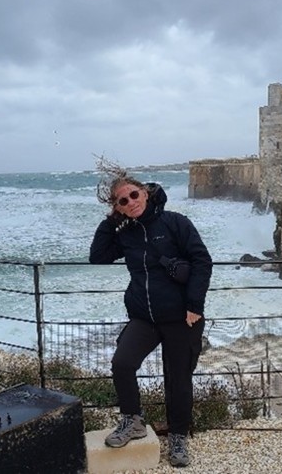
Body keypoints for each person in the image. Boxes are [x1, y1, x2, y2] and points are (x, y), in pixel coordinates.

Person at [89, 165, 212, 468]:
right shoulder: (127, 234)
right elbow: (98, 255)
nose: (131, 202)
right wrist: (111, 221)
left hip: (180, 318)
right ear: (118, 207)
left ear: (145, 192)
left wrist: (195, 306)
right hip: (144, 317)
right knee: (122, 363)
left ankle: (179, 437)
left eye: (134, 194)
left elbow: (202, 261)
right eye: (122, 201)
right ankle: (133, 421)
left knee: (178, 379)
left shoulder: (174, 223)